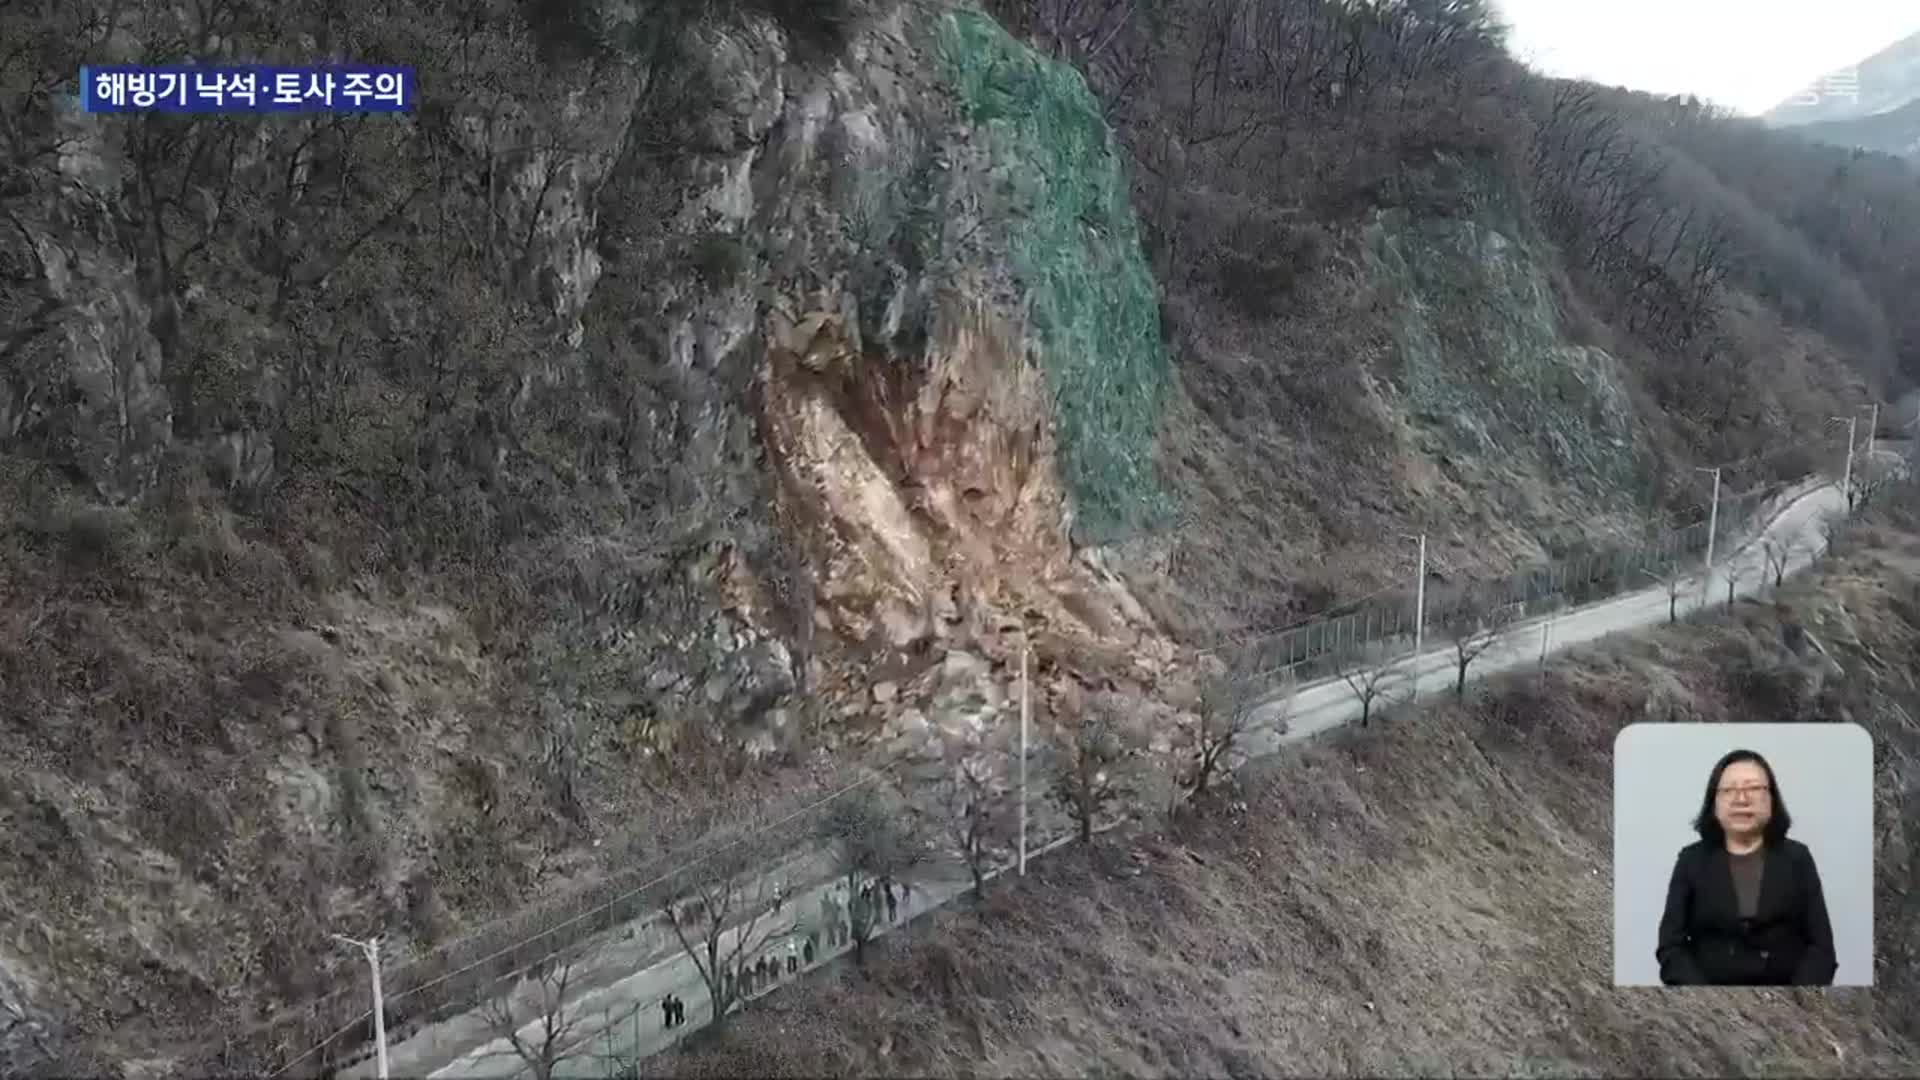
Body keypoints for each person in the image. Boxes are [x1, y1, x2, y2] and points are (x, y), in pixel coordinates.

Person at [1656, 748, 1837, 986]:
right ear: (1714, 802)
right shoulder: (1691, 860)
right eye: (1729, 790)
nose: (1741, 799)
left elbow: (1821, 949)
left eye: (1753, 788)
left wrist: (1797, 1001)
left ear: (1771, 799)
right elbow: (1671, 946)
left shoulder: (1797, 858)